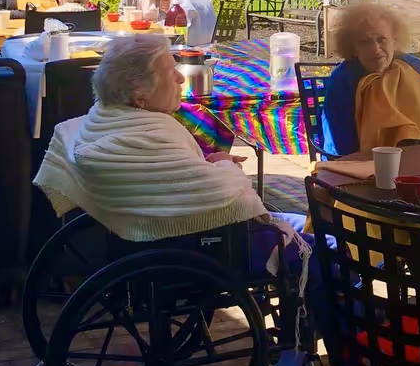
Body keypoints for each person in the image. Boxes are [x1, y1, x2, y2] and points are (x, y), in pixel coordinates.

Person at [35, 33, 309, 277]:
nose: (180, 77)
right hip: (207, 244)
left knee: (307, 225)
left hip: (161, 238)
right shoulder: (154, 132)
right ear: (140, 95)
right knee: (326, 248)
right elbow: (222, 192)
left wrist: (207, 165)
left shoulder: (103, 121)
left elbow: (177, 178)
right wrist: (226, 165)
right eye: (170, 72)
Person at [322, 2, 420, 156]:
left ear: (394, 40)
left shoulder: (417, 68)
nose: (375, 48)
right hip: (358, 162)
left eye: (381, 39)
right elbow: (343, 145)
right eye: (365, 42)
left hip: (418, 159)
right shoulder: (342, 80)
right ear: (353, 47)